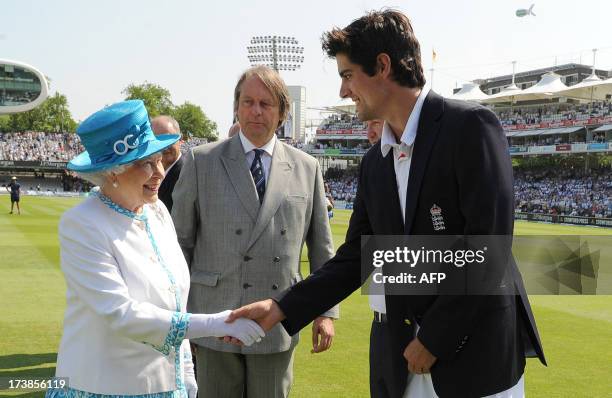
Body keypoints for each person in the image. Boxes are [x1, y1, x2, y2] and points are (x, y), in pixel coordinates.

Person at [228, 10, 546, 398]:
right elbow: (355, 258)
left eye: (347, 75)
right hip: (399, 363)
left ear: (382, 66)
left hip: (475, 362)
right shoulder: (375, 163)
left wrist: (434, 338)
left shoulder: (470, 127)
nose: (344, 91)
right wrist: (281, 307)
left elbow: (488, 248)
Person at [47, 100, 265, 398]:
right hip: (103, 387)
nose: (160, 172)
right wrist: (214, 323)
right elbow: (121, 314)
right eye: (145, 163)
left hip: (166, 384)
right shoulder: (82, 224)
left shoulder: (157, 211)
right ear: (112, 171)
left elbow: (175, 299)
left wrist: (186, 371)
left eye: (160, 159)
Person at [172, 66, 339, 398]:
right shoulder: (201, 161)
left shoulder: (307, 167)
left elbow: (321, 247)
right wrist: (179, 319)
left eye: (265, 103)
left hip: (278, 320)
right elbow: (179, 245)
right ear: (236, 107)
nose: (255, 111)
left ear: (282, 113)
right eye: (247, 102)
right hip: (214, 317)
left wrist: (325, 312)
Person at [151, 115, 183, 213]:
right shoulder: (146, 173)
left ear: (180, 139)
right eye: (158, 140)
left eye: (169, 139)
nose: (164, 146)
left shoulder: (187, 173)